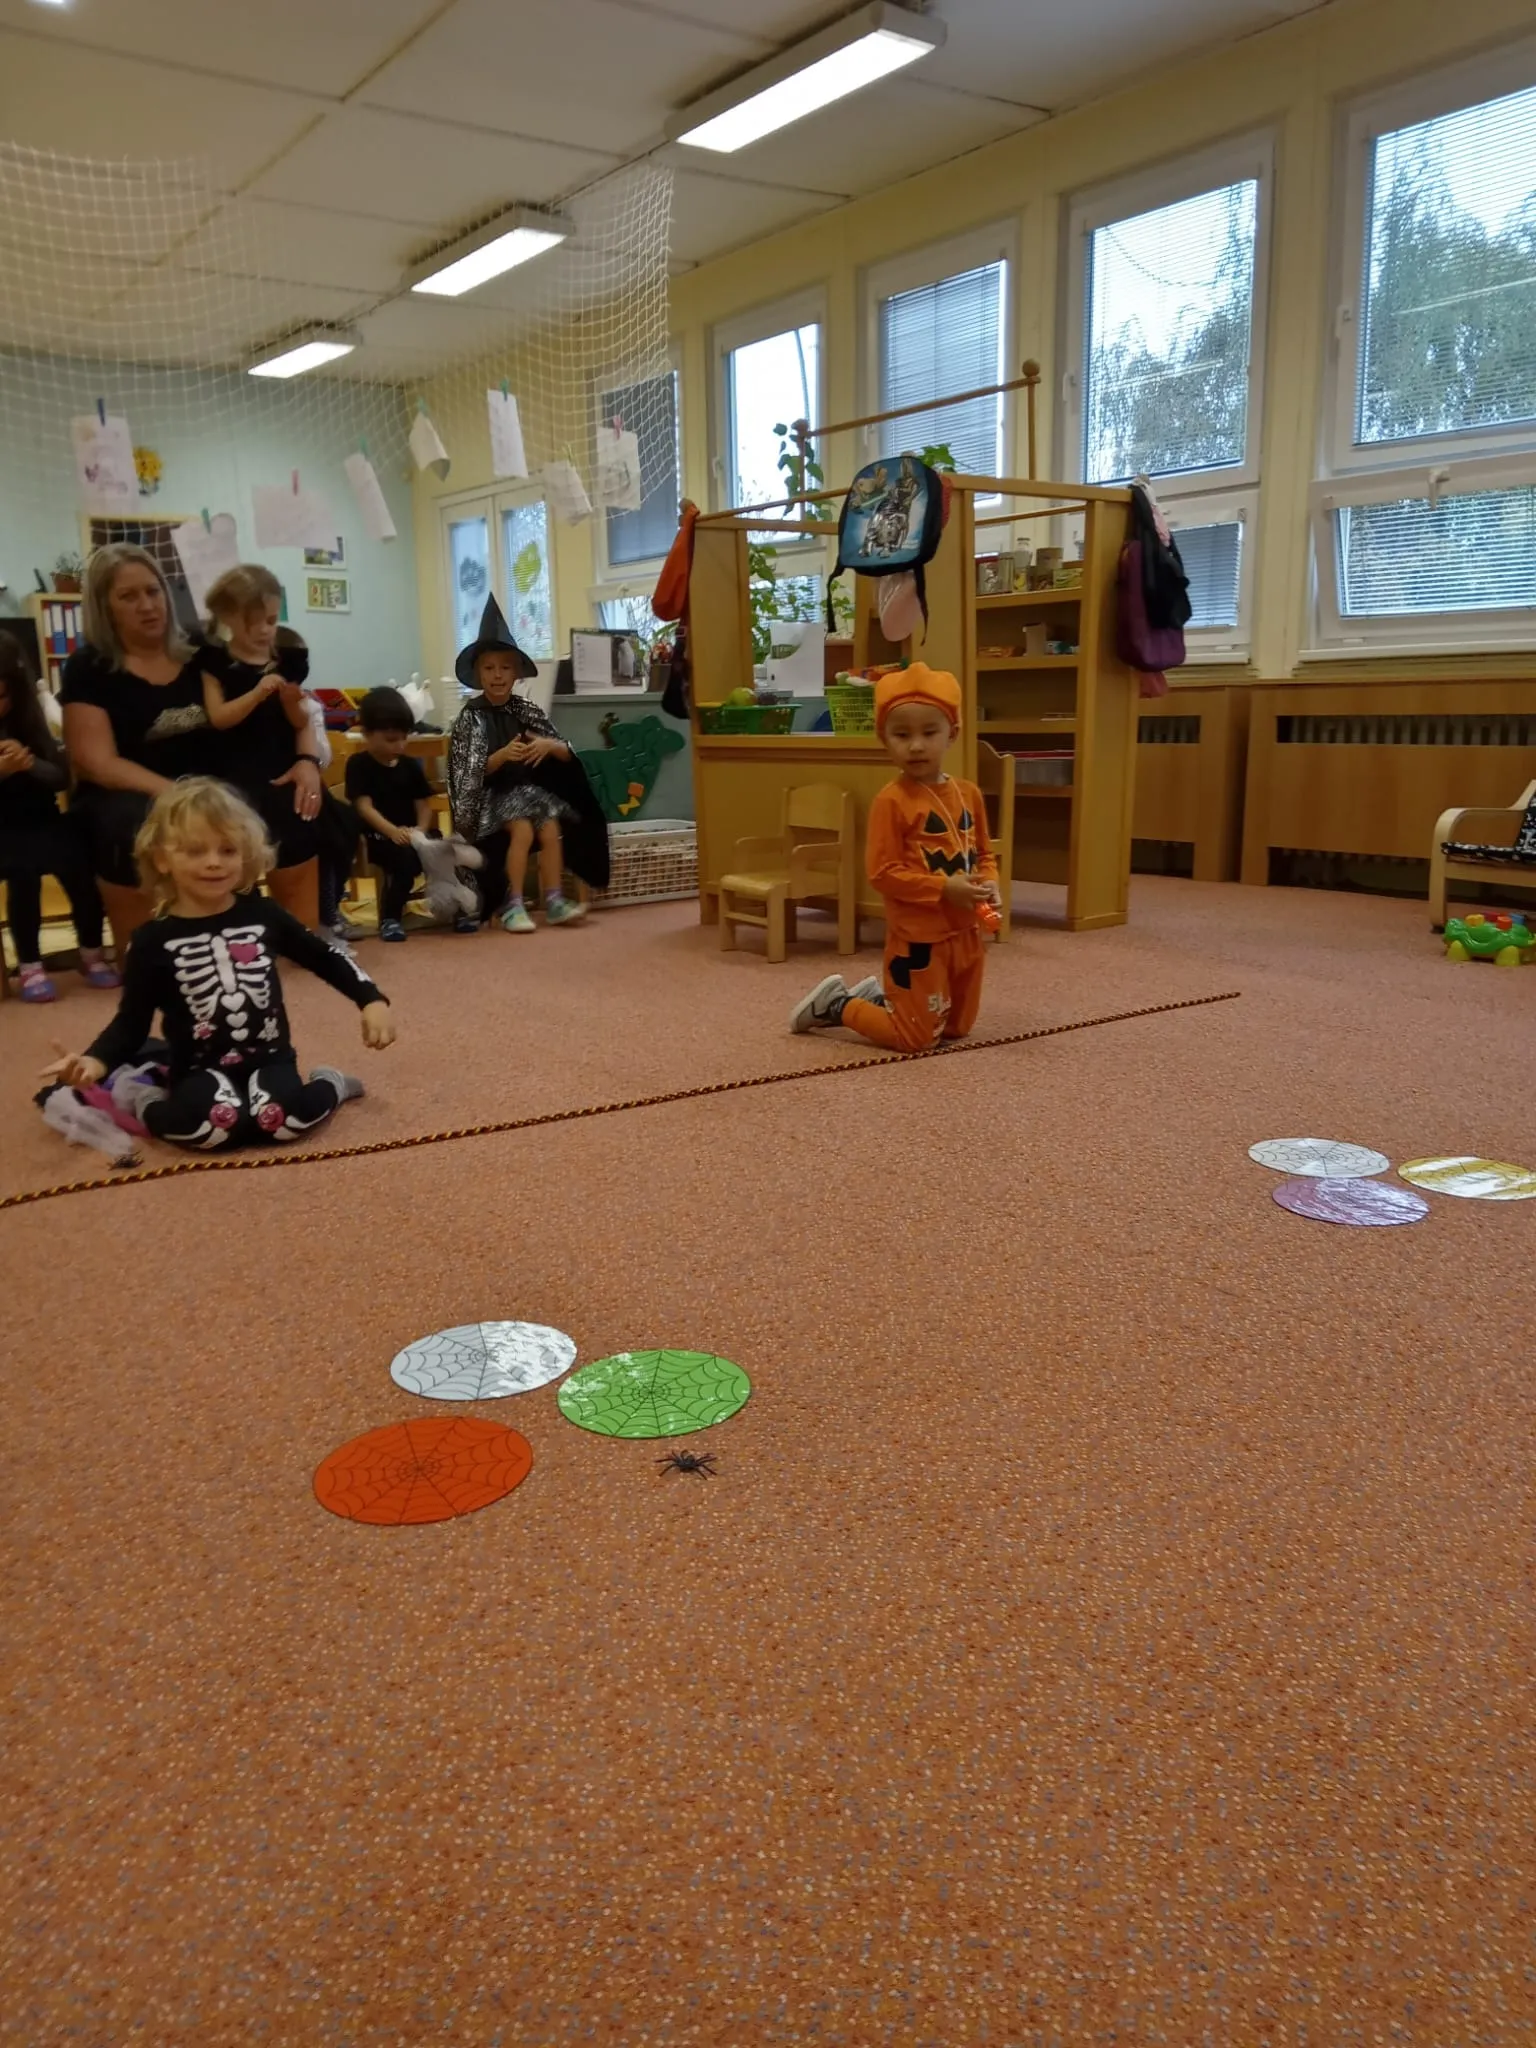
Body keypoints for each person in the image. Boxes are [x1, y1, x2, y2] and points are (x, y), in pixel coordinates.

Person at [40, 779, 394, 1152]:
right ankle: (148, 1103)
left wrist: (371, 999)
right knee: (214, 1127)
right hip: (197, 1068)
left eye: (228, 849)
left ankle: (331, 1084)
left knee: (278, 1120)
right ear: (161, 859)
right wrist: (95, 1062)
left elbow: (324, 956)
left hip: (270, 1059)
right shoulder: (150, 940)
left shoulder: (264, 914)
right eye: (195, 851)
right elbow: (132, 1021)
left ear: (245, 854)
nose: (213, 862)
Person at [790, 664, 999, 1048]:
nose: (916, 745)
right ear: (884, 739)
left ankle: (887, 1002)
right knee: (915, 1039)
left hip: (966, 932)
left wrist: (990, 884)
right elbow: (882, 873)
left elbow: (984, 853)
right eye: (902, 735)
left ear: (952, 734)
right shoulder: (892, 801)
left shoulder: (969, 793)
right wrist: (944, 888)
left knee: (956, 1028)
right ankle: (838, 1005)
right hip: (920, 938)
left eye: (929, 733)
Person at [447, 596, 609, 931]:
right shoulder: (470, 718)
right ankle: (514, 903)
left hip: (526, 793)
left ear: (516, 673)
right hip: (488, 801)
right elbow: (465, 776)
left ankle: (554, 900)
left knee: (550, 827)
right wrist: (500, 757)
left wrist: (550, 746)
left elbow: (565, 754)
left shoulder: (527, 710)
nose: (497, 675)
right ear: (478, 673)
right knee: (522, 828)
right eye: (489, 668)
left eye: (505, 668)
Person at [194, 564, 335, 929]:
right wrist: (257, 693)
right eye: (252, 622)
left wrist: (291, 704)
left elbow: (300, 722)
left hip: (282, 768)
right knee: (238, 840)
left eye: (271, 621)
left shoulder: (288, 659)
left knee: (314, 824)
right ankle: (244, 924)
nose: (263, 630)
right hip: (234, 772)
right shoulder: (213, 663)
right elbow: (219, 717)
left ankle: (314, 923)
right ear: (227, 618)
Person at [0, 630, 119, 1001]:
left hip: (46, 819)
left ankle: (91, 953)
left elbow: (60, 778)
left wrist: (29, 764)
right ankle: (30, 965)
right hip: (5, 828)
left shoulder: (29, 721)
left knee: (82, 877)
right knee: (23, 881)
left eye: (2, 696)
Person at [344, 687, 458, 943]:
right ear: (367, 734)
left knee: (447, 852)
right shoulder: (359, 765)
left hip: (413, 834)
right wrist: (393, 832)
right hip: (380, 837)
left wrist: (420, 830)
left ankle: (453, 908)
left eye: (404, 738)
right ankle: (391, 917)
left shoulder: (409, 765)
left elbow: (423, 805)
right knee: (405, 862)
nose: (400, 745)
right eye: (391, 739)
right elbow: (364, 807)